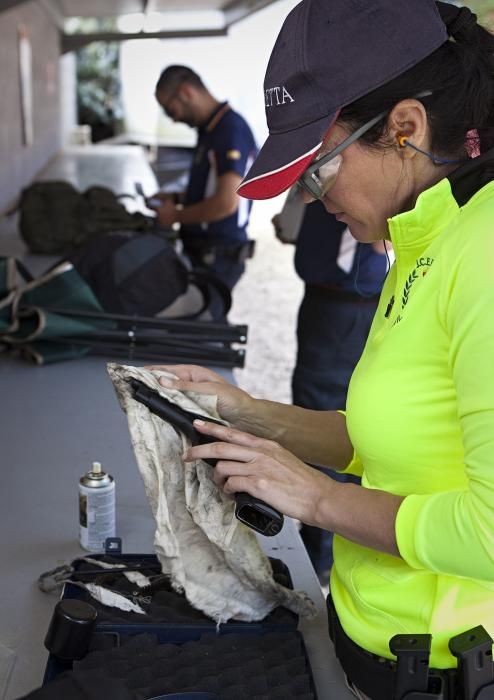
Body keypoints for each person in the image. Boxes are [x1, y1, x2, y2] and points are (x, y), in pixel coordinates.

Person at [148, 1, 494, 697]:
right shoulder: (419, 239)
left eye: (317, 169)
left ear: (405, 128)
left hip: (447, 673)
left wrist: (316, 499)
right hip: (373, 651)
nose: (311, 198)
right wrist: (245, 412)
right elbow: (393, 446)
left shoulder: (482, 253)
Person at [273, 197, 388, 584]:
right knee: (326, 412)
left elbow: (384, 235)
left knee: (328, 422)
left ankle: (323, 554)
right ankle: (329, 547)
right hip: (331, 300)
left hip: (348, 304)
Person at [151, 65, 257, 318]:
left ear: (186, 92)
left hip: (218, 256)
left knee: (203, 330)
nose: (173, 118)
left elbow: (226, 202)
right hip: (203, 253)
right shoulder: (209, 130)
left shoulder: (229, 130)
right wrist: (177, 199)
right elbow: (211, 189)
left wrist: (173, 217)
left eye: (170, 109)